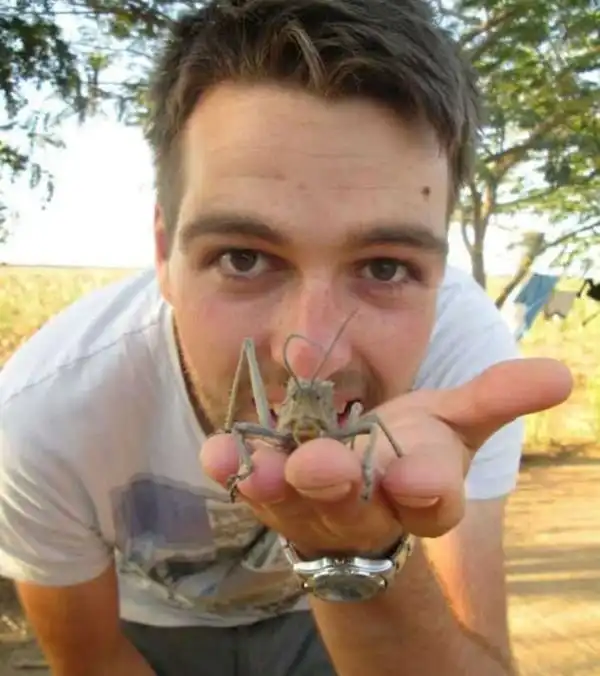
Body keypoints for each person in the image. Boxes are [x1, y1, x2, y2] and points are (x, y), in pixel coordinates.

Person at [0, 1, 572, 675]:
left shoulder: (466, 377)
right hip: (155, 625)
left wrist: (366, 544)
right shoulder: (40, 414)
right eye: (243, 258)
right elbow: (92, 660)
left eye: (384, 267)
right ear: (163, 254)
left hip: (333, 617)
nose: (310, 352)